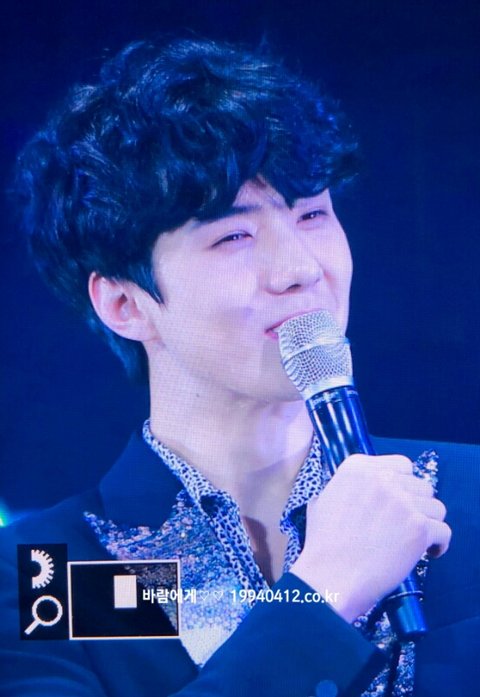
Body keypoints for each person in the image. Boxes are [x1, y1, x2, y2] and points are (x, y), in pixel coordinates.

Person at [0, 37, 478, 697]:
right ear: (124, 303)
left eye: (312, 215)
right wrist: (324, 588)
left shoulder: (469, 495)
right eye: (234, 235)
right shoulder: (45, 573)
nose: (300, 268)